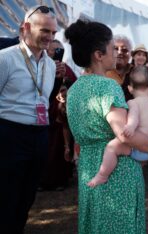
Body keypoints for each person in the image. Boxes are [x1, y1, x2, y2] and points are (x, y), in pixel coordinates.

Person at [65, 19, 148, 234]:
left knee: (95, 224)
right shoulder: (108, 85)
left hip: (88, 166)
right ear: (98, 55)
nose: (115, 54)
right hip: (117, 171)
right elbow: (124, 135)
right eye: (111, 48)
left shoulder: (74, 90)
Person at [0, 5, 57, 233]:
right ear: (25, 28)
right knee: (5, 198)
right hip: (9, 136)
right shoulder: (5, 59)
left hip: (39, 136)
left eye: (53, 33)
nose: (50, 38)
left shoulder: (51, 65)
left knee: (26, 198)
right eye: (45, 31)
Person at [88, 65, 148, 187]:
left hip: (138, 145)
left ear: (130, 89)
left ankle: (102, 175)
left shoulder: (132, 102)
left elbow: (134, 116)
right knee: (139, 165)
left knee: (111, 147)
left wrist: (131, 126)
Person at [38, 39, 77, 191]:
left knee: (60, 147)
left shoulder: (65, 68)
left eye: (59, 50)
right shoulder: (39, 65)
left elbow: (74, 85)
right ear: (47, 51)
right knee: (44, 147)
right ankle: (41, 180)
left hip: (61, 117)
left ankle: (60, 179)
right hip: (43, 113)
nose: (56, 53)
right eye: (54, 50)